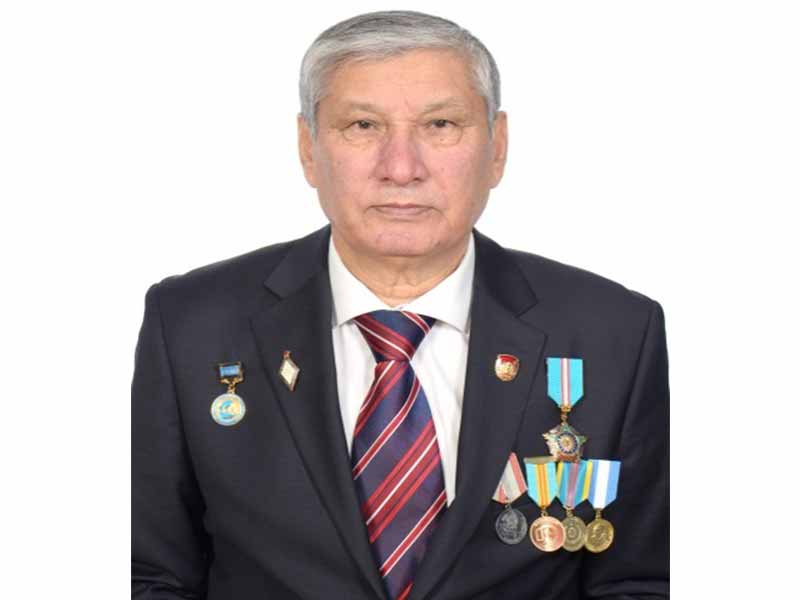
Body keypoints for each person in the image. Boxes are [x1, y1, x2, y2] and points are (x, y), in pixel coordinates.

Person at [132, 10, 668, 600]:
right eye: (363, 125)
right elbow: (150, 576)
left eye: (440, 124)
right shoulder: (190, 325)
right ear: (309, 148)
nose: (401, 168)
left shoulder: (615, 332)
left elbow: (641, 582)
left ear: (497, 148)